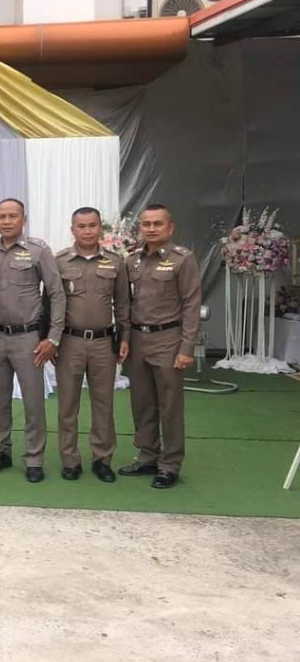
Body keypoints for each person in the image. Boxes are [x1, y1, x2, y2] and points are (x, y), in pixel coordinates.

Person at [119, 204, 201, 489]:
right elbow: (125, 304)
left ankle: (170, 464)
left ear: (170, 227)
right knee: (142, 403)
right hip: (138, 340)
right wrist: (125, 339)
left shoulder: (182, 259)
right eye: (146, 224)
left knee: (169, 406)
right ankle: (147, 456)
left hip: (168, 339)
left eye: (157, 223)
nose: (151, 229)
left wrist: (186, 348)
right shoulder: (132, 260)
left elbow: (191, 305)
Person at [0, 198, 65, 483]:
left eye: (12, 216)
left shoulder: (38, 250)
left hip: (28, 338)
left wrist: (53, 337)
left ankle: (34, 458)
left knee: (33, 402)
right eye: (1, 216)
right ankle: (0, 451)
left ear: (23, 219)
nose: (6, 221)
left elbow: (56, 294)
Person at [54, 207, 131, 483]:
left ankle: (102, 459)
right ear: (72, 229)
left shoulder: (115, 262)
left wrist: (125, 337)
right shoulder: (60, 261)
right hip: (69, 342)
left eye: (92, 225)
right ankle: (70, 460)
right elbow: (51, 303)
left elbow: (123, 304)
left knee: (103, 404)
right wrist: (51, 340)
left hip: (103, 344)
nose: (87, 231)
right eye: (81, 226)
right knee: (67, 405)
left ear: (100, 228)